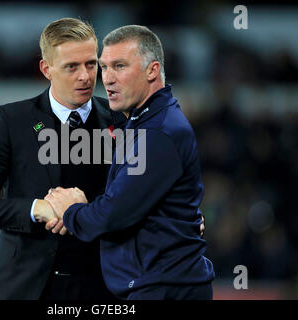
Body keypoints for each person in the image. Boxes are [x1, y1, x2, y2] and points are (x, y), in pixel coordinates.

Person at [44, 25, 215, 300]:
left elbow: (113, 214)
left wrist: (71, 210)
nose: (108, 78)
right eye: (104, 67)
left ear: (152, 70)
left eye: (120, 66)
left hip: (165, 289)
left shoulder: (157, 133)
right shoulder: (140, 123)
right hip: (159, 285)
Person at [0, 18, 123, 300]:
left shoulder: (122, 122)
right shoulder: (11, 121)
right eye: (71, 66)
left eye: (91, 64)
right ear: (46, 69)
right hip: (25, 287)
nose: (85, 76)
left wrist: (86, 210)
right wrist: (39, 209)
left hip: (101, 286)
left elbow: (138, 200)